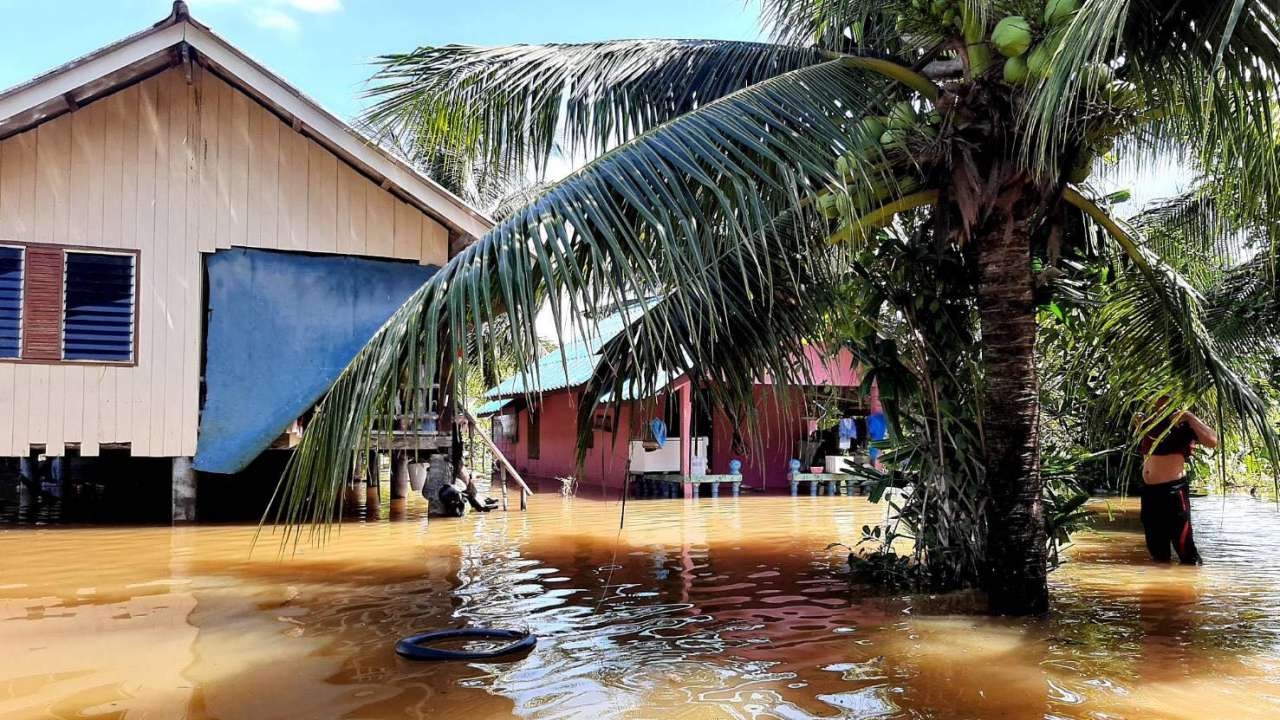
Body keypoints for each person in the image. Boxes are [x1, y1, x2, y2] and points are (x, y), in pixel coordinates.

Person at [1137, 399, 1218, 564]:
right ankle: (1162, 587)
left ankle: (1192, 585)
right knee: (1157, 553)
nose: (1159, 398)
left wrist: (1189, 417)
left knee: (1186, 550)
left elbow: (1213, 441)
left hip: (1173, 493)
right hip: (1149, 493)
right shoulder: (1148, 420)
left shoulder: (1182, 422)